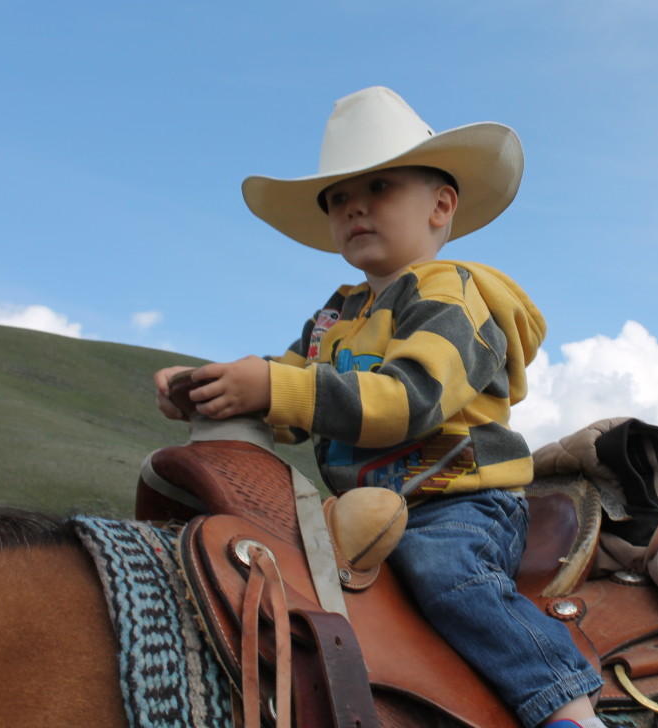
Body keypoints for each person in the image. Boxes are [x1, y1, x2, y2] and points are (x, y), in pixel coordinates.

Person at [153, 86, 605, 728]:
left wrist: (277, 388)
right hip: (354, 514)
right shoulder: (334, 315)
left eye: (381, 187)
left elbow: (410, 401)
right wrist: (212, 388)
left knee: (446, 575)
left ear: (441, 205)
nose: (354, 207)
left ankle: (565, 703)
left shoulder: (455, 296)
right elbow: (287, 394)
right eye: (338, 199)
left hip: (455, 504)